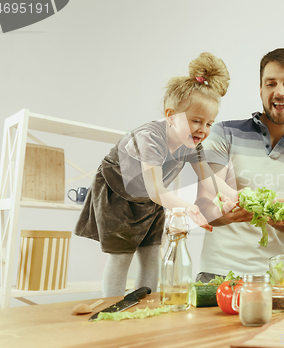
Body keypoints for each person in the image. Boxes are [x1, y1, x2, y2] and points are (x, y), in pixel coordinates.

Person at [74, 52, 237, 296]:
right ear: (170, 116)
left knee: (152, 252)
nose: (203, 130)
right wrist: (189, 208)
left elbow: (210, 179)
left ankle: (146, 303)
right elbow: (157, 190)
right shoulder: (149, 138)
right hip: (119, 195)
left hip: (151, 200)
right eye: (196, 121)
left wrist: (236, 196)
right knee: (121, 256)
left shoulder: (192, 143)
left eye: (209, 124)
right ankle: (113, 307)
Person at [195, 48, 284, 283]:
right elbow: (207, 204)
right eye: (271, 83)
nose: (279, 92)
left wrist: (278, 216)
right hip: (218, 274)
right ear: (261, 89)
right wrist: (229, 213)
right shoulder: (223, 133)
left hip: (277, 277)